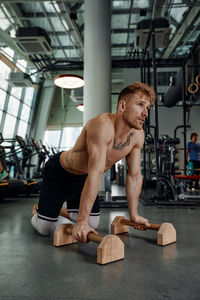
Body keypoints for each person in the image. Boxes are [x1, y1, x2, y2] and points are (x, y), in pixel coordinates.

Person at [31, 82, 156, 243]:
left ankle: (58, 211)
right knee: (44, 229)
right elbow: (96, 172)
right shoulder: (102, 125)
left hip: (84, 178)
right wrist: (80, 223)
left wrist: (134, 215)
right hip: (60, 172)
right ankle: (38, 211)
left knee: (92, 223)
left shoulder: (138, 135)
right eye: (140, 105)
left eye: (148, 107)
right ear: (123, 106)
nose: (145, 112)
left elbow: (134, 176)